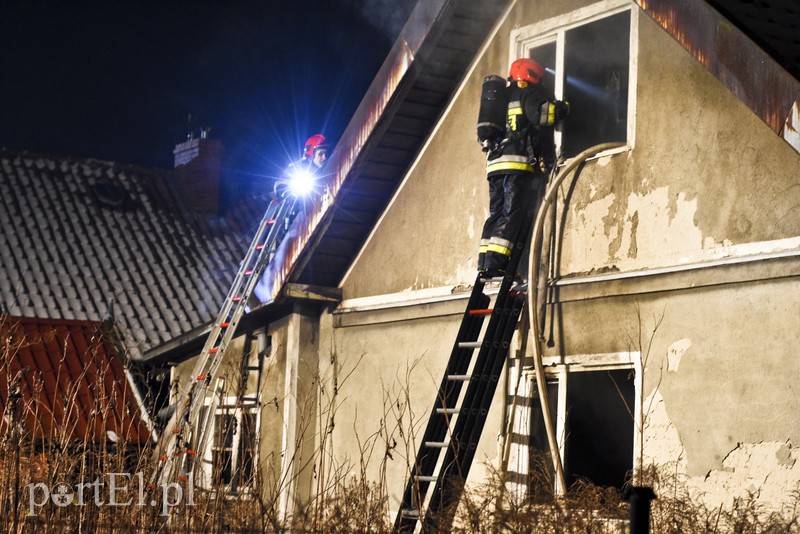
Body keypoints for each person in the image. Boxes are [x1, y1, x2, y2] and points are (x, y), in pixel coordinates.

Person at [477, 58, 569, 278]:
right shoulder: (526, 92)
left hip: (494, 166)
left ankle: (484, 260)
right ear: (532, 75)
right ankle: (497, 262)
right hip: (515, 163)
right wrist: (563, 107)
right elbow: (543, 114)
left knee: (496, 213)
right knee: (512, 212)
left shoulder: (502, 97)